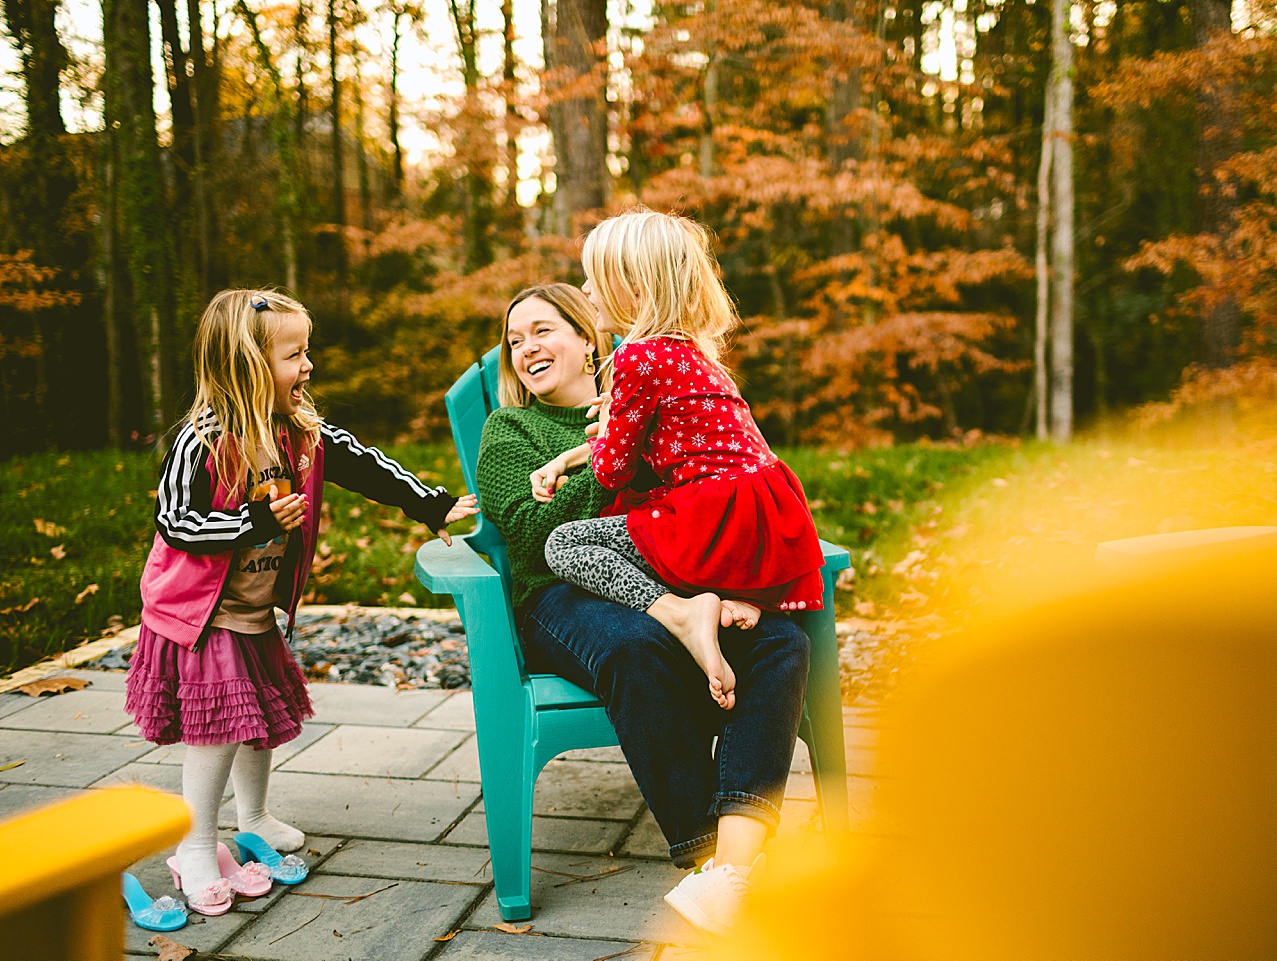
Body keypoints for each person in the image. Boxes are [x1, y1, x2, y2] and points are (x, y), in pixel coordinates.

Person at [124, 289, 478, 915]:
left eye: (305, 351)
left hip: (256, 610)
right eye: (294, 355)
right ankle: (197, 846)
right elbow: (177, 522)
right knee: (218, 729)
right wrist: (253, 524)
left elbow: (367, 466)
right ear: (246, 366)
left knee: (256, 718)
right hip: (201, 616)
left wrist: (429, 503)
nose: (308, 366)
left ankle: (253, 817)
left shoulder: (300, 433)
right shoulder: (201, 441)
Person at [477, 281, 811, 935]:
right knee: (635, 644)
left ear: (586, 337)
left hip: (674, 582)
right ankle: (710, 852)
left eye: (542, 330)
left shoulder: (645, 402)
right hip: (560, 596)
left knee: (782, 642)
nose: (526, 348)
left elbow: (699, 501)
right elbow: (526, 530)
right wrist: (604, 465)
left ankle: (733, 863)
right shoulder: (508, 429)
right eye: (514, 340)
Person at [539, 208, 825, 711]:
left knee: (565, 544)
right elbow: (665, 444)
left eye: (594, 278)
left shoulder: (637, 356)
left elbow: (613, 472)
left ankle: (679, 612)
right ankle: (728, 595)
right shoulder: (690, 352)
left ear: (634, 287)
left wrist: (602, 438)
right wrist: (572, 455)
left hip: (709, 516)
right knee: (640, 525)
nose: (584, 289)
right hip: (762, 511)